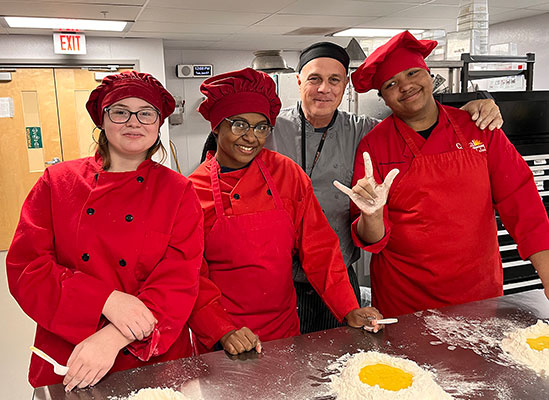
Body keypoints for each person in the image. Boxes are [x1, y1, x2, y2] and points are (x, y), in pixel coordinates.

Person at [266, 41, 504, 333]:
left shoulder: (364, 131)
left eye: (334, 80)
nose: (324, 88)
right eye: (314, 78)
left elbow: (417, 118)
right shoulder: (268, 131)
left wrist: (476, 107)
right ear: (299, 80)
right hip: (273, 281)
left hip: (337, 279)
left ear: (345, 88)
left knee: (335, 366)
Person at [6, 71, 204, 391]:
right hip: (70, 350)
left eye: (146, 113)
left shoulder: (178, 191)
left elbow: (178, 280)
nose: (134, 122)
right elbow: (27, 268)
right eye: (120, 111)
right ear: (102, 119)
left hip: (148, 352)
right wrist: (106, 300)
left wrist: (114, 337)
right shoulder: (57, 182)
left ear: (158, 123)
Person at [334, 31, 549, 318]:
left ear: (429, 74)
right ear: (384, 98)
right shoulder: (375, 145)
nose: (405, 86)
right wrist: (371, 215)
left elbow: (523, 204)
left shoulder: (479, 129)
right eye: (391, 84)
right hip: (405, 300)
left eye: (412, 73)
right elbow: (374, 239)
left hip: (478, 294)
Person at [188, 68, 384, 356]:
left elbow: (320, 248)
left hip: (283, 329)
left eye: (261, 127)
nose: (251, 137)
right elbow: (192, 276)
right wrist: (222, 329)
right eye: (239, 124)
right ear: (217, 127)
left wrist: (348, 307)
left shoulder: (286, 173)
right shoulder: (192, 190)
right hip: (223, 338)